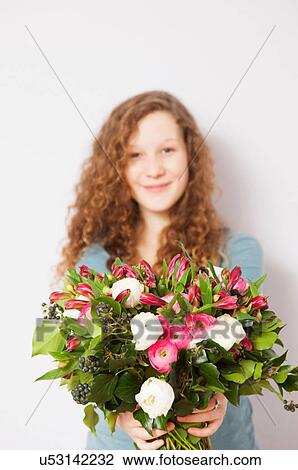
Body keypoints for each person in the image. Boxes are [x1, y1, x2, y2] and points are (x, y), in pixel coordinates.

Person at [54, 90, 263, 450]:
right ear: (116, 166)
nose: (154, 169)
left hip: (221, 450)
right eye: (135, 155)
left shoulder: (236, 251)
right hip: (120, 450)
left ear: (190, 156)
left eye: (167, 150)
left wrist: (222, 393)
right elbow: (57, 341)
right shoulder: (93, 261)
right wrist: (118, 410)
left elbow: (251, 341)